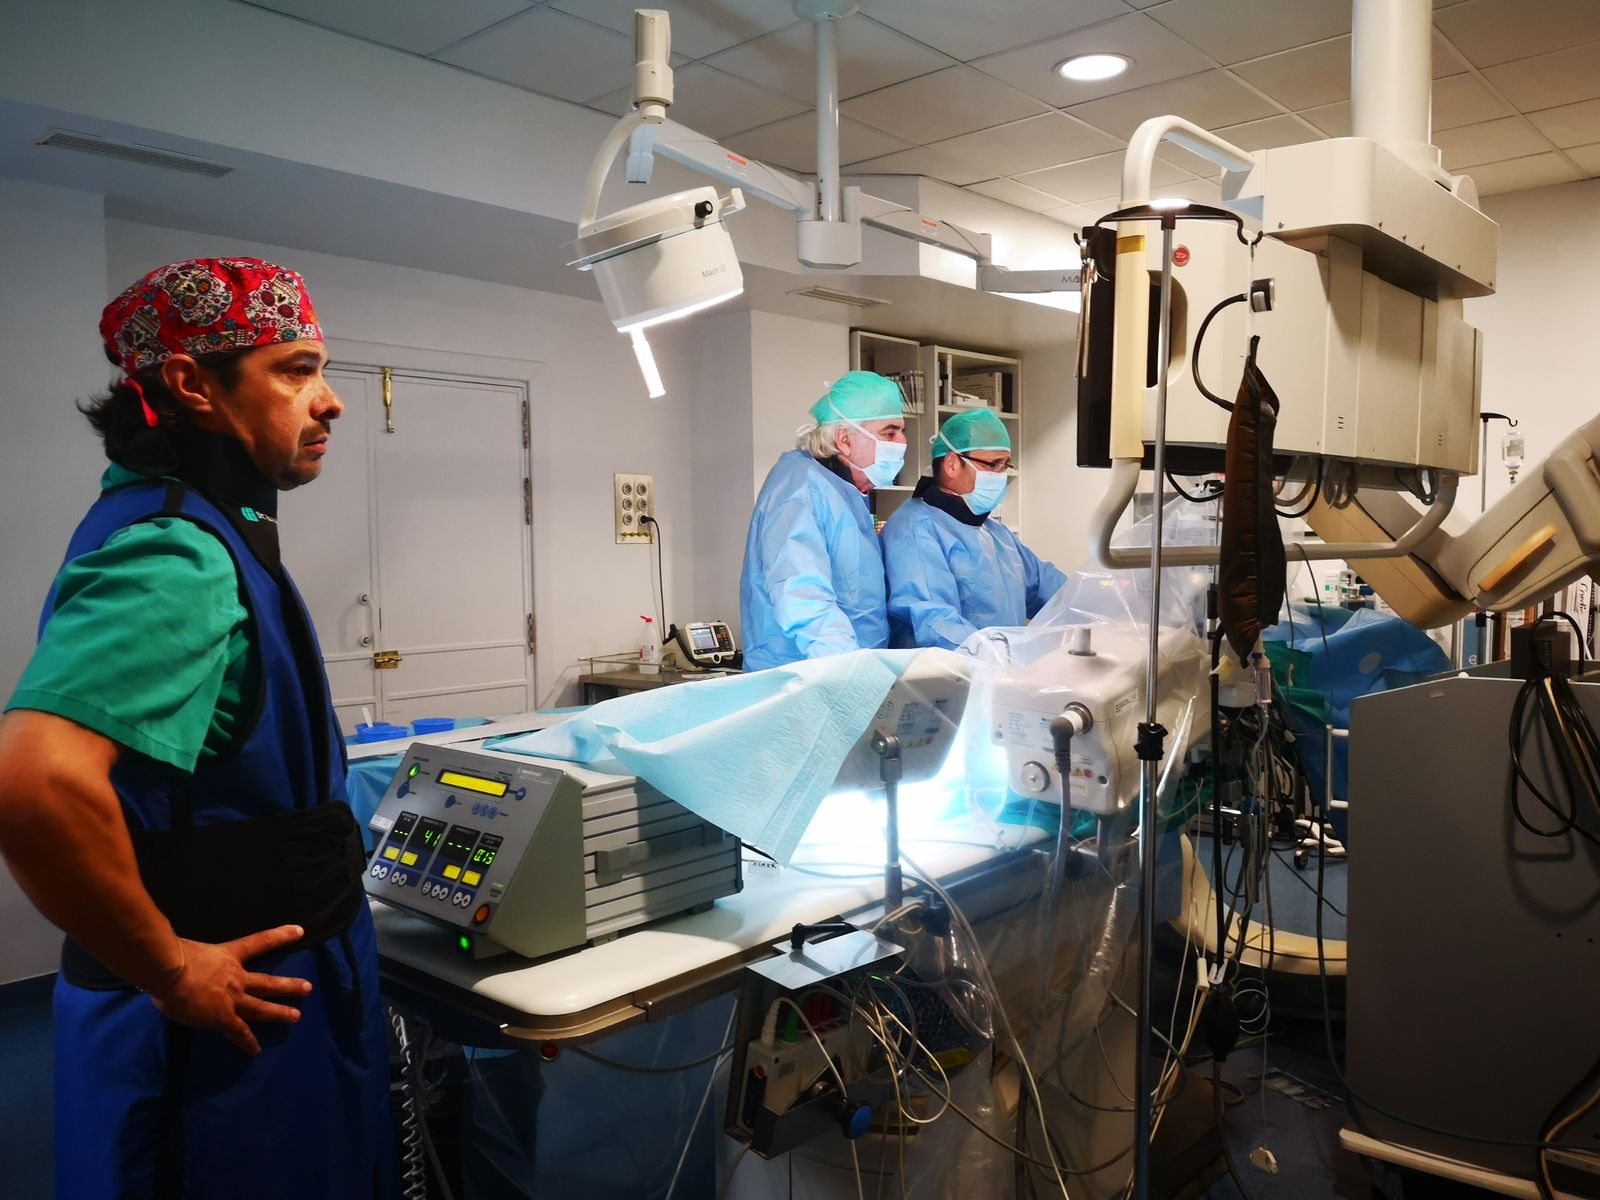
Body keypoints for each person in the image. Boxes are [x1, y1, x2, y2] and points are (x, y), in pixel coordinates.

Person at [0, 258, 392, 1198]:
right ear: (190, 385)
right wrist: (174, 969)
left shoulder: (184, 521)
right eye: (295, 370)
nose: (330, 402)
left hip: (263, 981)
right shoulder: (179, 552)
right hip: (227, 1022)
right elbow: (34, 782)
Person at [739, 370, 906, 671]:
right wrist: (850, 671)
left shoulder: (845, 493)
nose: (902, 442)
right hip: (806, 682)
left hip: (843, 676)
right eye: (890, 432)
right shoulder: (799, 491)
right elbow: (803, 598)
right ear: (845, 439)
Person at [882, 407, 1068, 650]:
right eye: (993, 465)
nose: (1001, 475)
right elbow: (935, 623)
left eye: (1005, 465)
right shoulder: (915, 531)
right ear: (951, 464)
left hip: (997, 673)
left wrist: (1100, 600)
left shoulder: (994, 532)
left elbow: (1051, 589)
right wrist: (998, 655)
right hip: (950, 679)